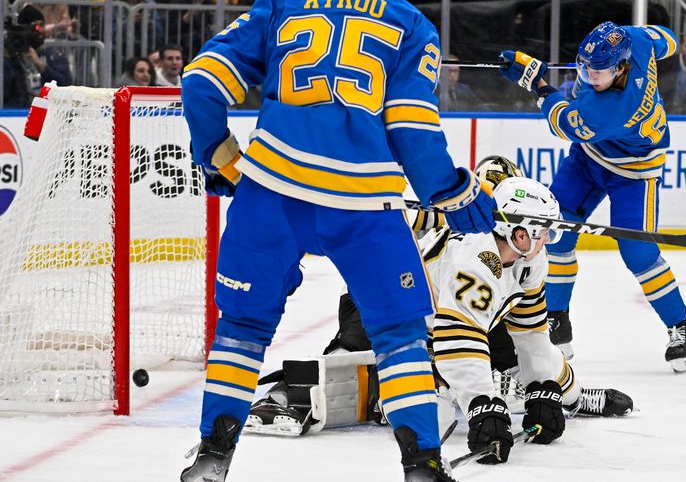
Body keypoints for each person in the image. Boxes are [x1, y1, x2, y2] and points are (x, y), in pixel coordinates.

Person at [179, 0, 496, 481]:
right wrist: (455, 194)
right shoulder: (409, 22)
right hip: (362, 204)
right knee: (399, 334)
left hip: (272, 192)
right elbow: (413, 133)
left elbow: (202, 81)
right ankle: (421, 464)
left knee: (241, 328)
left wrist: (220, 154)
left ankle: (213, 455)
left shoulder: (281, 0)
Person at [247, 164, 634, 465]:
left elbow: (531, 330)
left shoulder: (530, 259)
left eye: (547, 232)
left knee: (547, 362)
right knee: (350, 365)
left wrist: (542, 389)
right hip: (390, 308)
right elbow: (457, 336)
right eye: (538, 231)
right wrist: (483, 403)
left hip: (458, 319)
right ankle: (290, 394)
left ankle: (574, 396)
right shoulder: (477, 258)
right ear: (511, 228)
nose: (545, 240)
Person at [497, 22, 686, 374]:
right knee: (555, 234)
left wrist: (537, 83)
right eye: (584, 66)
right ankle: (557, 320)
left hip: (634, 171)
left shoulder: (613, 108)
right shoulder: (635, 40)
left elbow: (563, 122)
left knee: (638, 252)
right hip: (588, 158)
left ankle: (681, 328)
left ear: (621, 67)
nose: (589, 76)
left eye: (599, 71)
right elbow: (665, 39)